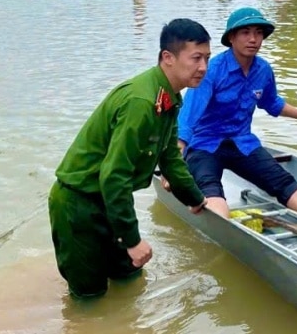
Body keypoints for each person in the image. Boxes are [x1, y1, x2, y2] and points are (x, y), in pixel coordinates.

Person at [48, 19, 211, 299]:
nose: (203, 68)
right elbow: (114, 176)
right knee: (90, 299)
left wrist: (196, 200)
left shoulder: (169, 99)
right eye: (196, 58)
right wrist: (132, 240)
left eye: (207, 58)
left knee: (130, 277)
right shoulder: (142, 102)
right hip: (79, 206)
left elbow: (171, 159)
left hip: (110, 201)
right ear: (168, 58)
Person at [175, 7, 297, 230]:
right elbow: (188, 118)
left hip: (242, 143)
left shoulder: (262, 69)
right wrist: (174, 161)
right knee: (210, 189)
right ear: (231, 37)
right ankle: (227, 231)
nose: (253, 39)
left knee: (284, 183)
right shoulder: (211, 70)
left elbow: (271, 103)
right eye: (245, 32)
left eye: (259, 32)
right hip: (205, 145)